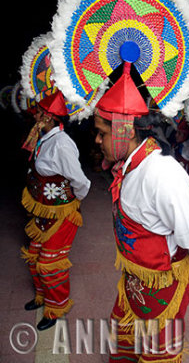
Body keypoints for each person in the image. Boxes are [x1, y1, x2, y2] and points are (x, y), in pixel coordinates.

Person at [94, 62, 189, 362]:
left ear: (124, 131)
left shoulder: (161, 173)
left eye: (101, 133)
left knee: (156, 353)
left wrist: (181, 263)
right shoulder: (128, 166)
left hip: (163, 286)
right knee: (123, 337)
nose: (97, 141)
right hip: (134, 279)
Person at [20, 89, 91, 331]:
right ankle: (41, 297)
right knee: (34, 255)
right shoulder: (44, 136)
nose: (35, 115)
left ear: (49, 117)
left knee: (50, 263)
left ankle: (55, 307)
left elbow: (80, 181)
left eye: (39, 112)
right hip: (44, 211)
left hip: (61, 214)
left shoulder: (62, 144)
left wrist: (73, 200)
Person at [172, 117, 189, 183]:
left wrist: (188, 183)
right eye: (176, 132)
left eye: (179, 133)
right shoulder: (175, 145)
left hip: (185, 181)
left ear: (185, 135)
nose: (176, 135)